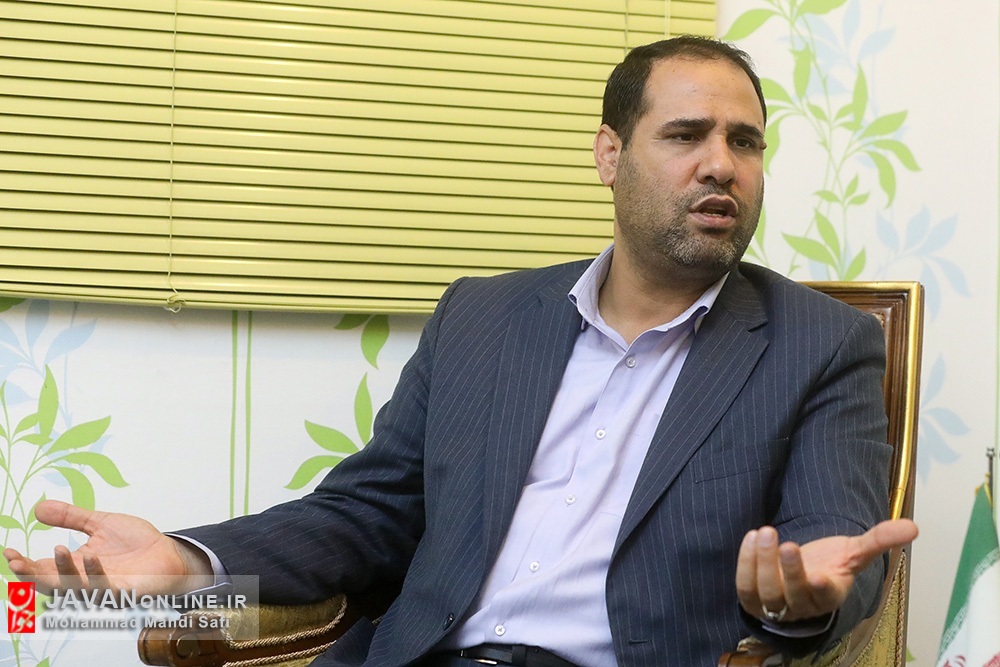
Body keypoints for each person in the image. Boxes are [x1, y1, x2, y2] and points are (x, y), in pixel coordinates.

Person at [4, 36, 917, 667]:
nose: (722, 163)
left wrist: (797, 597)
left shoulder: (819, 344)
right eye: (686, 135)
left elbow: (833, 545)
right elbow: (368, 514)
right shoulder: (484, 315)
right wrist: (188, 561)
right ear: (609, 155)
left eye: (745, 142)